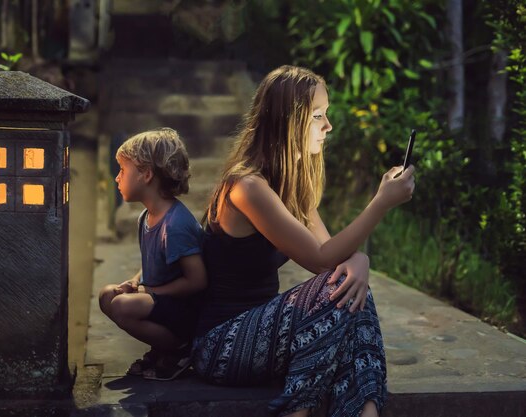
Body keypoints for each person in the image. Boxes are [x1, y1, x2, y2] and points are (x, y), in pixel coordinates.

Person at [192, 66, 415, 417]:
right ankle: (298, 410)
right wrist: (381, 202)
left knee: (352, 298)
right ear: (287, 121)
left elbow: (336, 258)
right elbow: (324, 260)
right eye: (318, 116)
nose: (328, 126)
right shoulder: (248, 186)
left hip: (269, 345)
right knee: (338, 290)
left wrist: (360, 261)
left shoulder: (293, 187)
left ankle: (365, 411)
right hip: (222, 344)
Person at [98, 128, 207, 381]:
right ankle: (161, 348)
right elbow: (154, 260)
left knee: (124, 307)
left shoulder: (176, 225)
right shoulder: (146, 217)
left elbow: (197, 280)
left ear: (146, 175)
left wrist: (152, 291)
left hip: (183, 311)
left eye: (123, 171)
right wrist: (136, 281)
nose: (117, 178)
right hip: (160, 298)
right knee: (107, 296)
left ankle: (179, 349)